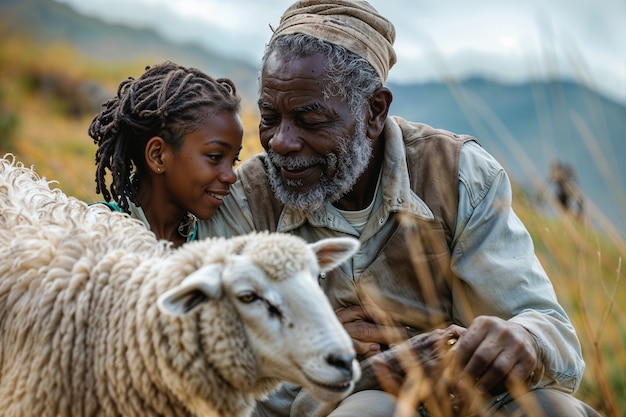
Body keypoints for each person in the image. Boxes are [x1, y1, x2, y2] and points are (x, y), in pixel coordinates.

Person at [200, 1, 600, 416]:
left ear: (374, 112)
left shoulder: (458, 175)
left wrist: (525, 340)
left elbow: (556, 340)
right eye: (269, 116)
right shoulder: (245, 200)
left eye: (310, 121)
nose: (281, 141)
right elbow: (223, 379)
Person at [88, 61, 243, 247]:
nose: (231, 176)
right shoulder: (89, 231)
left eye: (233, 160)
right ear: (158, 155)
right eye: (215, 157)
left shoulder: (216, 246)